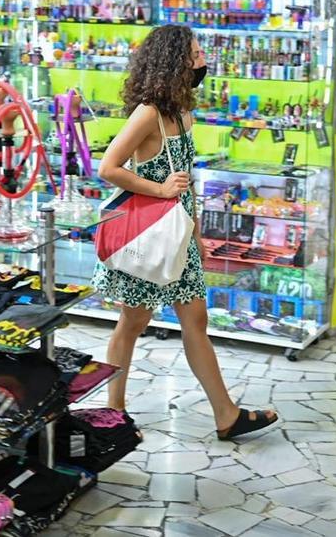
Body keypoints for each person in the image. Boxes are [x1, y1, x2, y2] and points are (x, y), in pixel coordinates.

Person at [93, 24, 278, 441]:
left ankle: (226, 415)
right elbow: (109, 167)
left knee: (196, 320)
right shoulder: (149, 113)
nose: (201, 59)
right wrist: (159, 189)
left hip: (176, 235)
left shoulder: (182, 112)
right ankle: (113, 410)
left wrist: (194, 233)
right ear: (174, 59)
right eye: (195, 52)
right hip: (147, 237)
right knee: (132, 322)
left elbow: (185, 180)